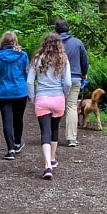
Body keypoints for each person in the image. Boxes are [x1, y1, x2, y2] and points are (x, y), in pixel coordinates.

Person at [26, 32, 71, 180]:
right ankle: (52, 158)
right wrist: (64, 94)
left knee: (45, 131)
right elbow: (68, 83)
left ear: (44, 44)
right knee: (54, 129)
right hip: (58, 99)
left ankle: (47, 166)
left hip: (42, 99)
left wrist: (33, 97)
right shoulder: (63, 60)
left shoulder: (37, 60)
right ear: (59, 45)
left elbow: (29, 82)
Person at [0, 31, 30, 160]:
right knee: (19, 118)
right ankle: (18, 143)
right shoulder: (23, 55)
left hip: (3, 92)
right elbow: (27, 74)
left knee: (7, 120)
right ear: (15, 41)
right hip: (20, 91)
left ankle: (10, 149)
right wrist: (28, 90)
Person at [55, 19, 89, 148]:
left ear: (56, 30)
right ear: (68, 29)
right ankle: (71, 138)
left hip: (56, 79)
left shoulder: (52, 44)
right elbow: (85, 61)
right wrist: (83, 74)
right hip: (74, 78)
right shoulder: (77, 42)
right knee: (71, 107)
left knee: (56, 106)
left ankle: (52, 136)